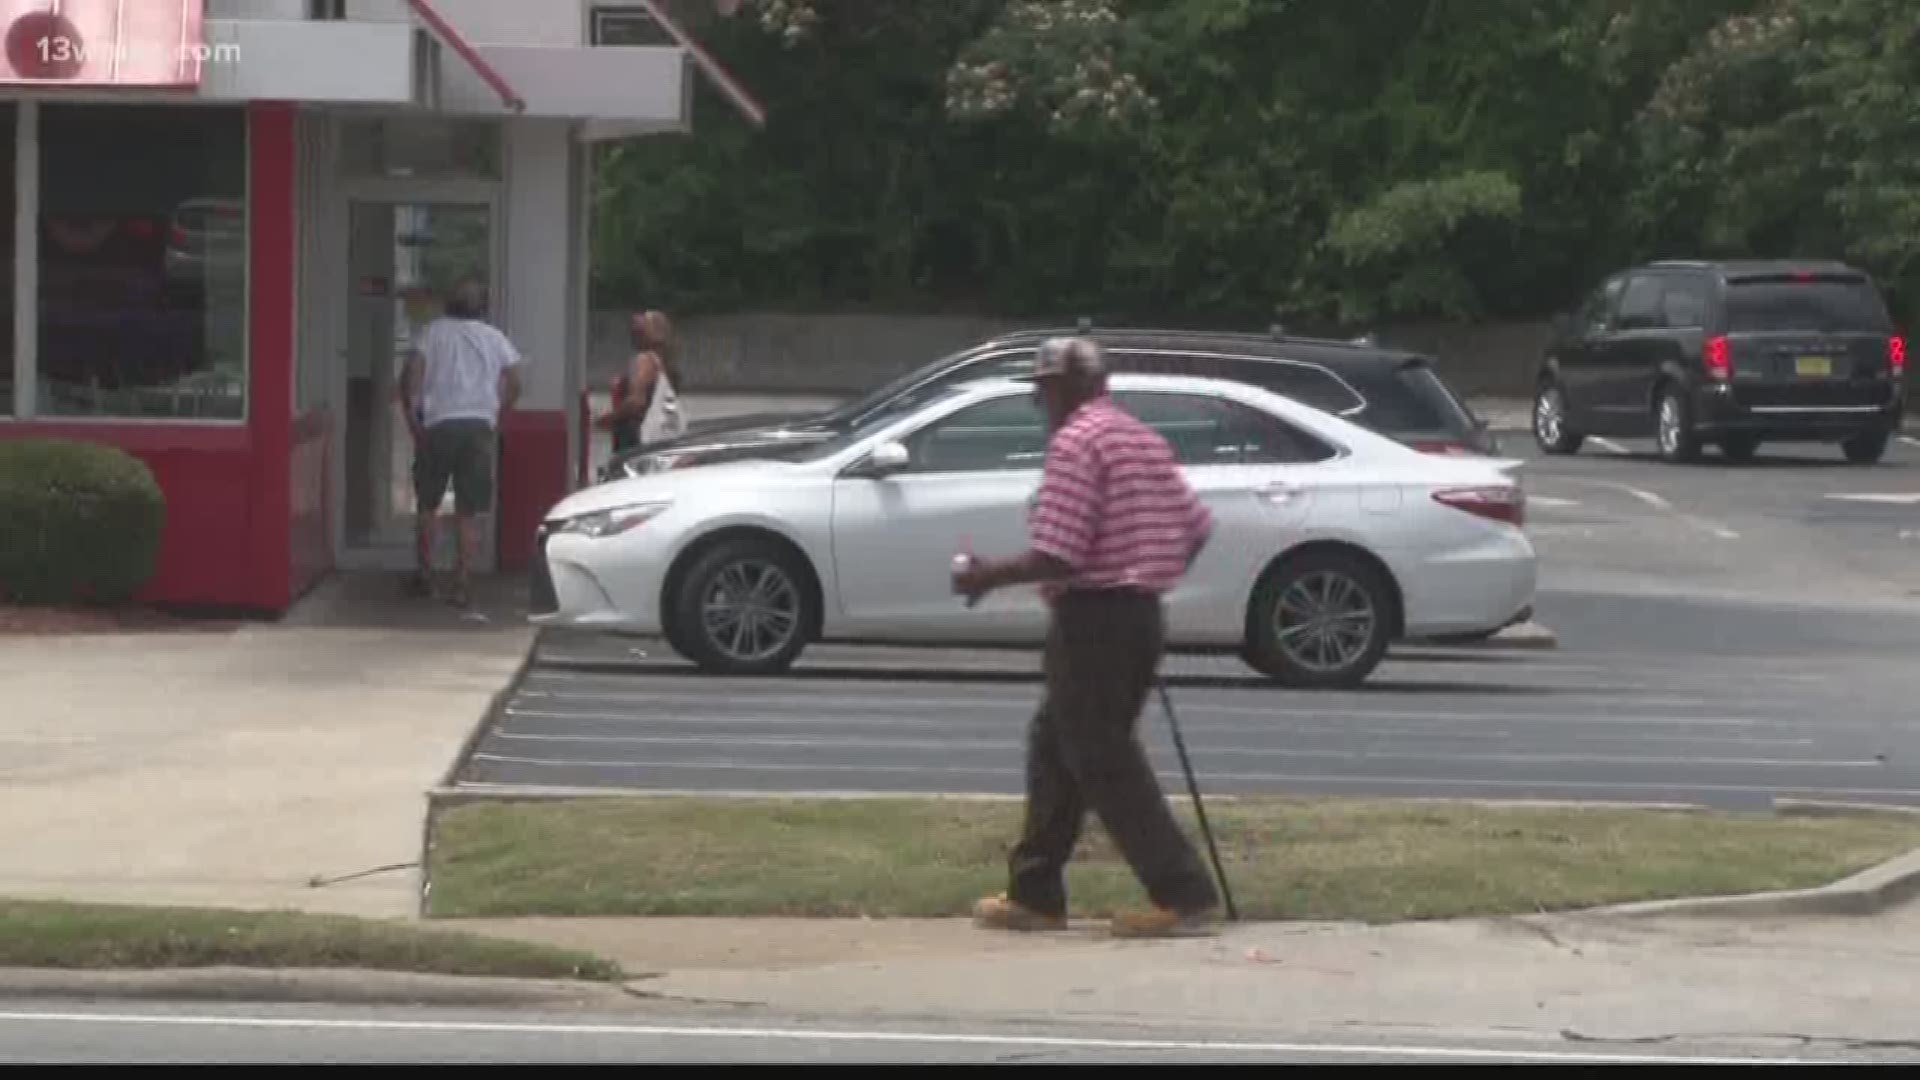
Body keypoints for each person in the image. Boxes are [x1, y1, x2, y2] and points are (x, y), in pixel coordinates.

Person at [950, 336, 1222, 939]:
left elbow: (1059, 553)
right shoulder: (1138, 437)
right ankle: (1035, 893)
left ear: (1065, 388)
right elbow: (1196, 527)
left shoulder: (1077, 443)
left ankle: (1184, 894)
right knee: (1055, 745)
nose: (1042, 403)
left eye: (1044, 390)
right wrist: (1150, 568)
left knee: (1103, 758)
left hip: (1093, 619)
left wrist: (984, 575)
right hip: (1139, 615)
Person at [397, 278, 523, 608]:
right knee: (469, 509)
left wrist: (413, 415)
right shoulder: (495, 338)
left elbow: (414, 375)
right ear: (482, 306)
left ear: (448, 304)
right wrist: (498, 413)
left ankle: (425, 574)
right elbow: (514, 380)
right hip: (479, 425)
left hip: (439, 424)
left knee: (428, 504)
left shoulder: (433, 332)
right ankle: (463, 580)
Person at [596, 309, 686, 453]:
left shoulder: (645, 360)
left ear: (652, 332)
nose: (634, 329)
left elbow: (636, 402)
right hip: (655, 434)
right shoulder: (664, 362)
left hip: (636, 435)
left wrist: (609, 418)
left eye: (641, 325)